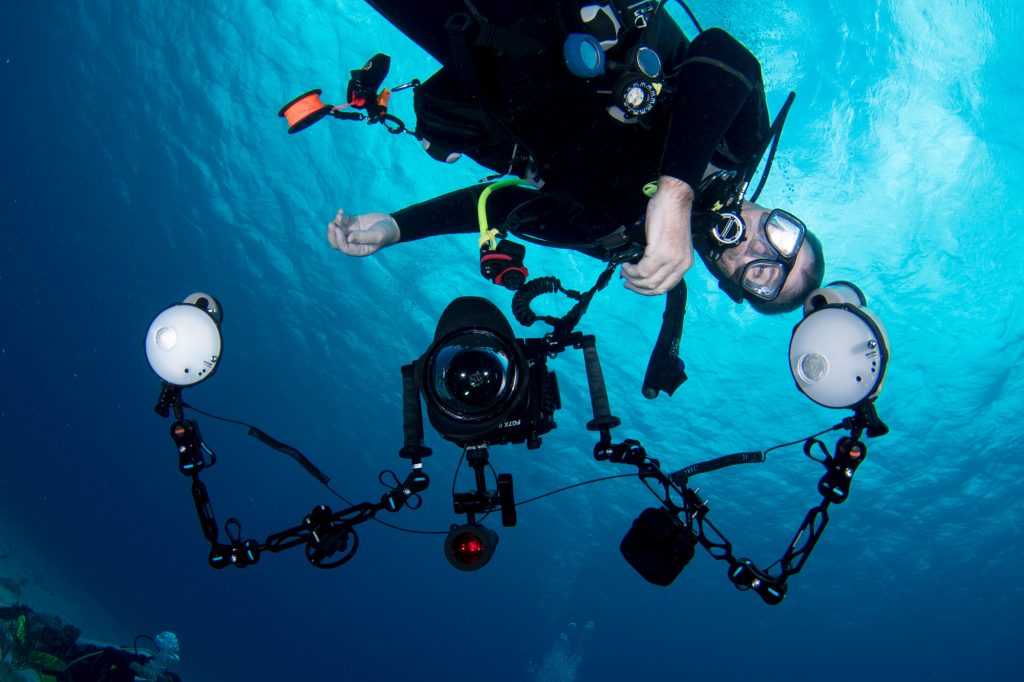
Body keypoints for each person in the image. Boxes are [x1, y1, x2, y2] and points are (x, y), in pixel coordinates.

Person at [327, 0, 824, 313]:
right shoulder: (737, 147)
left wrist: (395, 227)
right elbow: (724, 54)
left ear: (730, 283)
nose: (759, 247)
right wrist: (676, 191)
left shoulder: (623, 241)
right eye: (781, 234)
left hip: (476, 45)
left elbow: (502, 207)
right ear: (777, 215)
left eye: (763, 274)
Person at [0, 603, 182, 682]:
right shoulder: (145, 662)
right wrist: (137, 667)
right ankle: (22, 616)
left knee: (30, 657)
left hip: (76, 676)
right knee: (26, 650)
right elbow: (111, 653)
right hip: (78, 659)